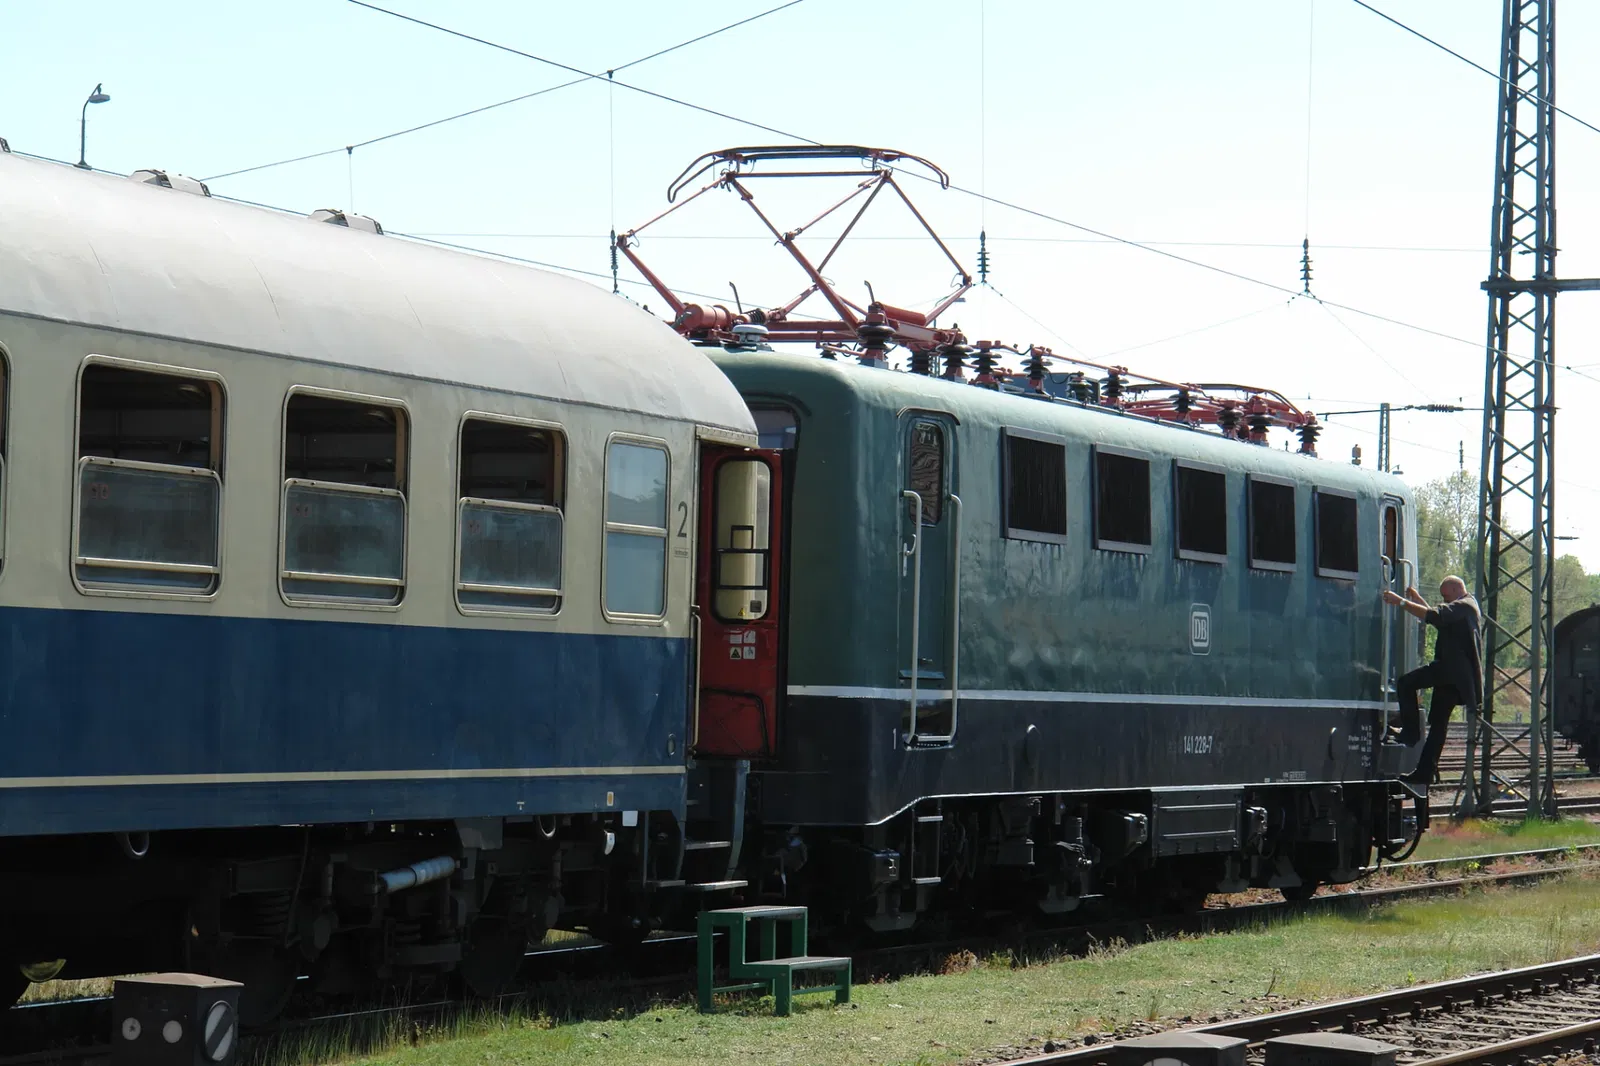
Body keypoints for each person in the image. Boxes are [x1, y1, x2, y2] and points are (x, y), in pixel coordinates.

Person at [1381, 575, 1483, 785]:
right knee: (1438, 725)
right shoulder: (1465, 607)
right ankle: (1424, 773)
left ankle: (1410, 734)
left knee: (1405, 683)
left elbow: (1435, 616)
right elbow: (1439, 620)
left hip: (1450, 671)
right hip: (1454, 677)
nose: (1445, 600)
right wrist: (1417, 599)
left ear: (1456, 590)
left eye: (1446, 596)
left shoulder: (1464, 606)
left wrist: (1399, 601)